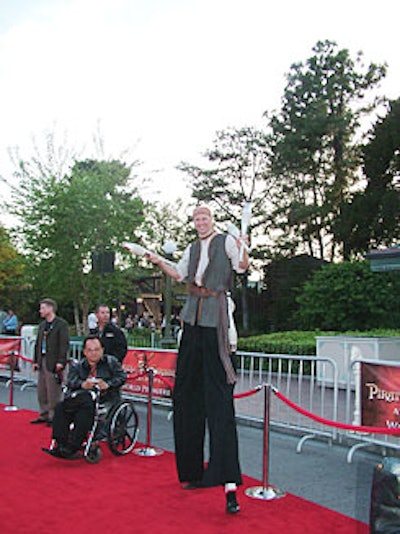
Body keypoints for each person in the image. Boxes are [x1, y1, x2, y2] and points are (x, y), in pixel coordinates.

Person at [144, 205, 249, 514]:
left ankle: (228, 482)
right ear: (193, 222)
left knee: (219, 405)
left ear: (211, 220)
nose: (200, 222)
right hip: (191, 321)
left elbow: (241, 266)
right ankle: (192, 471)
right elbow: (179, 273)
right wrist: (158, 260)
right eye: (196, 218)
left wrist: (243, 246)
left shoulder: (226, 241)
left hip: (215, 325)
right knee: (186, 397)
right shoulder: (192, 248)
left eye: (204, 217)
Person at [42, 334, 127, 459]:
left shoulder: (111, 362)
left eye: (96, 350)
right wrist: (82, 384)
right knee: (60, 407)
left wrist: (108, 384)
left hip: (105, 398)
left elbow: (122, 377)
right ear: (85, 352)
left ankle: (73, 445)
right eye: (90, 350)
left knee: (85, 408)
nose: (93, 353)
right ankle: (60, 443)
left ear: (102, 350)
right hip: (80, 396)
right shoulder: (78, 366)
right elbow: (70, 381)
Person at [31, 298, 70, 426]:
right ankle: (44, 413)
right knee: (42, 389)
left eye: (43, 308)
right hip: (42, 359)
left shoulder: (61, 324)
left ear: (50, 308)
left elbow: (64, 344)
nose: (40, 311)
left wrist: (61, 361)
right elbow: (37, 344)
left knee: (53, 390)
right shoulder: (42, 325)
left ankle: (54, 416)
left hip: (53, 360)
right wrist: (35, 360)